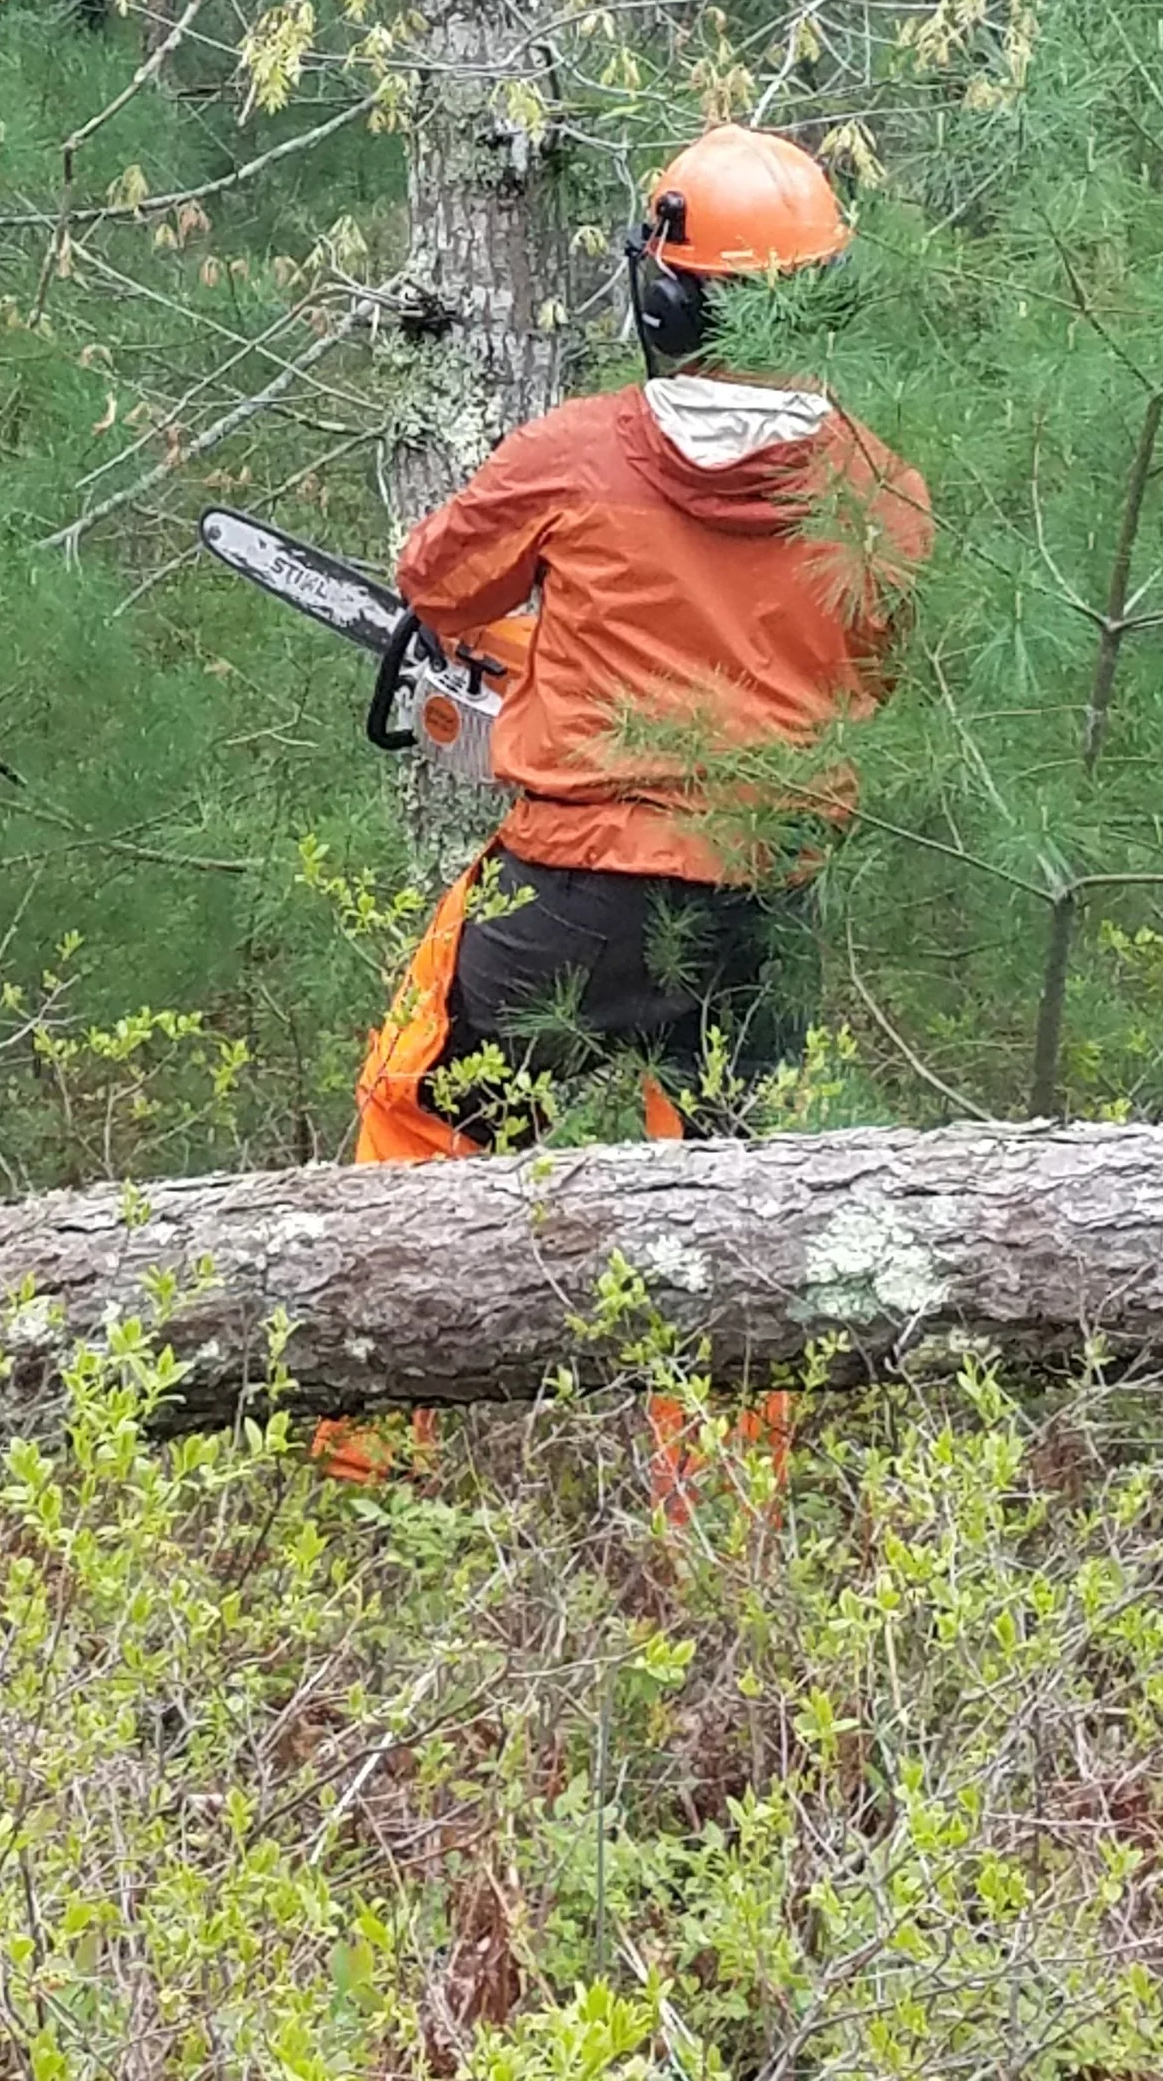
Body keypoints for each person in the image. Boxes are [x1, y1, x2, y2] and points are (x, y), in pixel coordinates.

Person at [321, 125, 931, 1495]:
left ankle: (373, 1476)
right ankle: (722, 1543)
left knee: (427, 1129)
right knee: (742, 1229)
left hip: (575, 898)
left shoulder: (575, 452)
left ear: (661, 300)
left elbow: (437, 580)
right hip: (762, 916)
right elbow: (863, 679)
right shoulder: (882, 492)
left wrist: (564, 647)